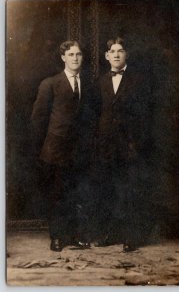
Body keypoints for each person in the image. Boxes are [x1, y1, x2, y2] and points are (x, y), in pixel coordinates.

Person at [31, 40, 96, 252]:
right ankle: (57, 237)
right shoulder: (50, 83)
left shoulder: (88, 84)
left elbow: (90, 117)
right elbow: (38, 120)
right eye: (71, 55)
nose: (75, 58)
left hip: (80, 151)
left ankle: (73, 236)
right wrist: (45, 147)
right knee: (57, 195)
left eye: (78, 54)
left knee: (76, 194)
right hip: (56, 150)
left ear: (82, 58)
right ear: (63, 57)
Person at [95, 37, 154, 251]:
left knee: (129, 191)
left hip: (129, 145)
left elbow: (145, 115)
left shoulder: (138, 80)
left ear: (126, 54)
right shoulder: (100, 81)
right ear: (107, 55)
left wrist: (136, 143)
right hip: (106, 146)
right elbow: (96, 114)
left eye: (121, 50)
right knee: (108, 190)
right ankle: (111, 234)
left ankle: (132, 237)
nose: (117, 54)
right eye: (113, 51)